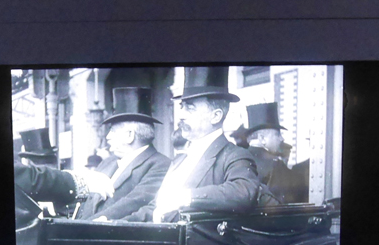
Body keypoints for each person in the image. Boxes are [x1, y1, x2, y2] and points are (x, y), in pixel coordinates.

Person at [128, 86, 269, 223]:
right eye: (182, 107)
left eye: (190, 108)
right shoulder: (180, 159)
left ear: (216, 116)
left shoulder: (234, 155)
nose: (181, 115)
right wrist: (118, 224)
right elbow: (157, 206)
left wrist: (187, 197)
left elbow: (243, 192)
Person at [78, 87, 170, 221]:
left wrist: (86, 225)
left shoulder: (160, 165)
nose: (108, 136)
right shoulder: (107, 162)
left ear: (129, 135)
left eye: (113, 131)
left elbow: (133, 202)